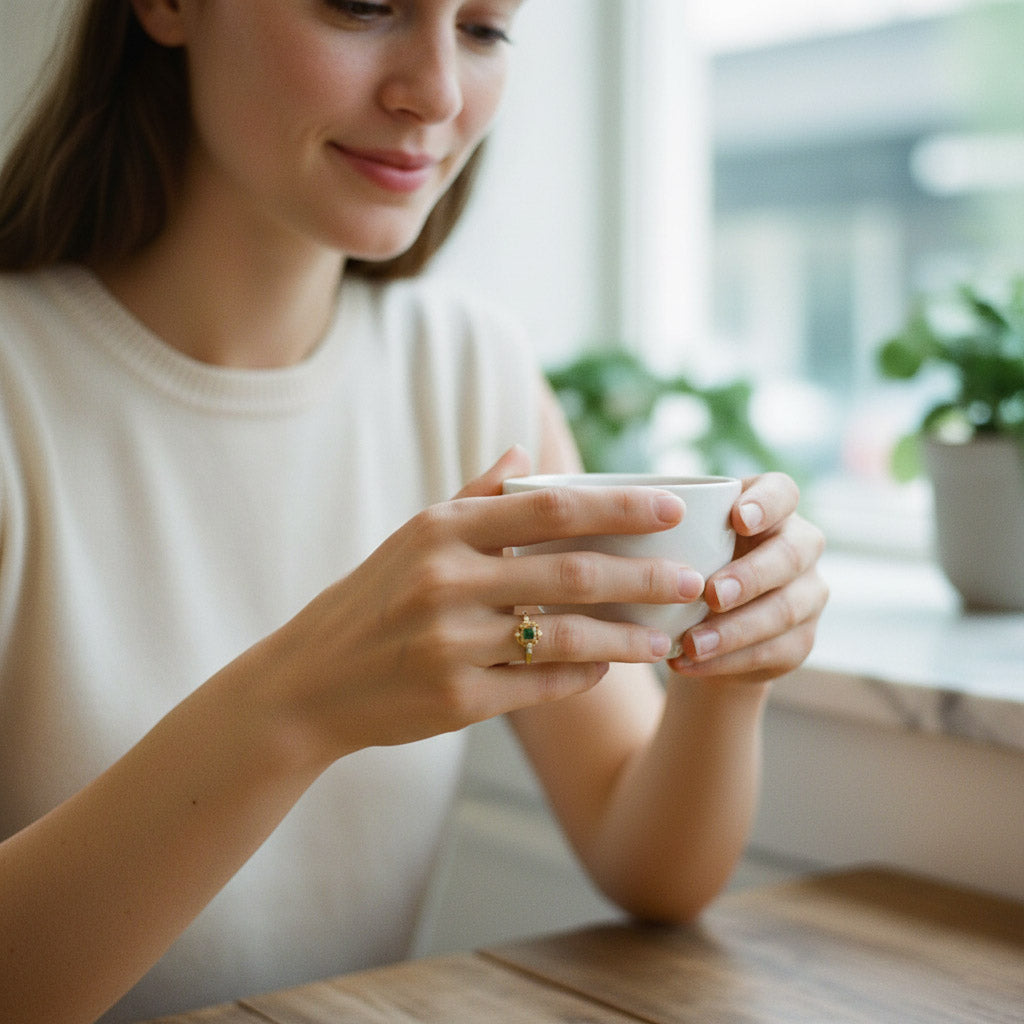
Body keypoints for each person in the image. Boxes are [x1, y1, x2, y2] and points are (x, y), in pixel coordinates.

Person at [0, 2, 828, 1022]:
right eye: (363, 4)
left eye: (483, 28)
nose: (435, 93)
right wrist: (298, 706)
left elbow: (650, 862)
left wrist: (726, 666)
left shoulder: (470, 369)